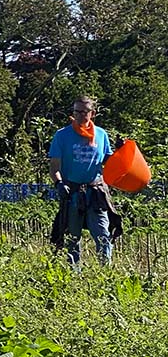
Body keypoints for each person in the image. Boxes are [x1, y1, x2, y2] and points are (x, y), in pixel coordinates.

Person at [49, 96, 122, 270]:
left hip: (95, 192)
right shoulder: (62, 135)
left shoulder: (101, 135)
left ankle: (105, 274)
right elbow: (54, 167)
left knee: (103, 235)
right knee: (73, 238)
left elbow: (109, 162)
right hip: (72, 193)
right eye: (77, 112)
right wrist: (59, 183)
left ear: (92, 113)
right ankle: (74, 276)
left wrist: (121, 151)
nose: (81, 115)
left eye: (84, 112)